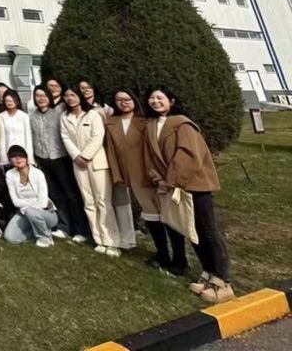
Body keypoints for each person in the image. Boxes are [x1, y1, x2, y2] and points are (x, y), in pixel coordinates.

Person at [144, 88, 232, 303]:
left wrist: (171, 181)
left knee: (208, 231)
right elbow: (150, 158)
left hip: (195, 184)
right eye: (152, 98)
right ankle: (207, 273)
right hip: (172, 186)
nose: (155, 101)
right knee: (193, 231)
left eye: (160, 98)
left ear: (171, 101)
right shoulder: (151, 126)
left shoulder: (183, 125)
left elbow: (188, 155)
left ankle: (222, 280)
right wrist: (157, 179)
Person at [107, 90, 180, 264]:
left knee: (169, 216)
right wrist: (118, 174)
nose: (123, 102)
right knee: (151, 216)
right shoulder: (111, 123)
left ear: (134, 100)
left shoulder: (146, 122)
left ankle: (179, 258)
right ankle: (162, 254)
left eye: (127, 99)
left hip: (152, 174)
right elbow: (111, 152)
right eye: (119, 100)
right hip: (134, 177)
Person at [61, 84, 121, 256]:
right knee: (88, 202)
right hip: (78, 164)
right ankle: (99, 239)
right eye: (67, 95)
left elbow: (98, 137)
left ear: (80, 96)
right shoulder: (64, 117)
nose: (70, 98)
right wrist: (77, 157)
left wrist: (86, 156)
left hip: (96, 163)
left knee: (103, 201)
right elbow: (65, 138)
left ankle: (111, 241)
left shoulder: (93, 114)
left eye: (73, 95)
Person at [29, 86, 89, 243]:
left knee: (71, 195)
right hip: (43, 159)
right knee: (56, 195)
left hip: (60, 158)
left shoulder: (59, 113)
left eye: (44, 95)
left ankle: (80, 229)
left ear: (49, 97)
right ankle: (64, 227)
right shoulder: (32, 116)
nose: (41, 98)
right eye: (37, 96)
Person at [3, 145, 59, 247]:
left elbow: (43, 203)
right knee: (10, 237)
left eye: (20, 155)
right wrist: (31, 203)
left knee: (31, 212)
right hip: (24, 213)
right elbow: (15, 202)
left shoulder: (38, 173)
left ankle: (44, 238)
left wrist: (26, 207)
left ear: (26, 158)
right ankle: (40, 229)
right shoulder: (9, 174)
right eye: (14, 156)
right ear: (10, 160)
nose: (18, 158)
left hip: (46, 214)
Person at [0, 91, 33, 168]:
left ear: (17, 101)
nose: (9, 103)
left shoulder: (24, 116)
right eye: (7, 101)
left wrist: (29, 157)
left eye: (12, 100)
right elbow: (2, 139)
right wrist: (3, 158)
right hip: (9, 153)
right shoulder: (1, 116)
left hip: (23, 152)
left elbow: (28, 137)